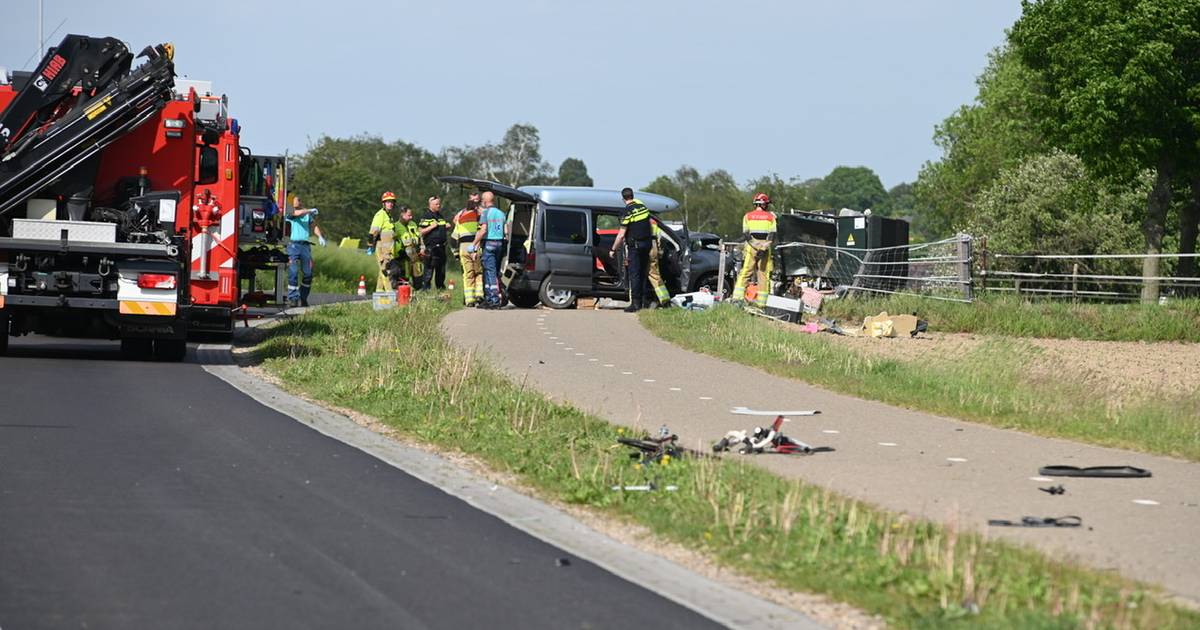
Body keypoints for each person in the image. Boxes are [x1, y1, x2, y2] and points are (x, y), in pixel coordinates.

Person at [609, 188, 653, 312]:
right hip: (647, 244)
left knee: (635, 274)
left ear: (623, 199)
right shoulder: (642, 207)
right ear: (633, 196)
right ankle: (644, 301)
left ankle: (635, 304)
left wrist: (613, 249)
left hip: (636, 247)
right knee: (643, 272)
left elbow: (621, 235)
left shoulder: (627, 212)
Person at [732, 192, 776, 308]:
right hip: (765, 249)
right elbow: (772, 236)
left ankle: (736, 299)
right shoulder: (771, 217)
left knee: (746, 272)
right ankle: (762, 304)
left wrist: (755, 245)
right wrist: (763, 248)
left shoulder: (747, 216)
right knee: (763, 275)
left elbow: (746, 235)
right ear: (763, 204)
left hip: (751, 247)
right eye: (766, 204)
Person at [285, 194, 325, 307]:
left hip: (305, 246)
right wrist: (310, 210)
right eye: (297, 199)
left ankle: (303, 298)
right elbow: (298, 213)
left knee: (308, 273)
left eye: (299, 199)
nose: (299, 201)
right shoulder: (290, 213)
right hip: (293, 245)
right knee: (293, 272)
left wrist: (320, 236)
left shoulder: (307, 215)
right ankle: (293, 298)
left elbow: (314, 226)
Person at [472, 191, 507, 309]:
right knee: (491, 271)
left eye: (482, 200)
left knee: (490, 272)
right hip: (500, 244)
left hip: (489, 243)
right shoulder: (501, 213)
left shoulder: (486, 213)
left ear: (485, 201)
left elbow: (483, 230)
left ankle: (495, 300)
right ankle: (488, 298)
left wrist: (474, 244)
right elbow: (506, 231)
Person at [451, 192, 484, 306]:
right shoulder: (479, 216)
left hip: (463, 248)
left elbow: (453, 238)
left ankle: (469, 300)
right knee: (479, 272)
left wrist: (455, 254)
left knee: (467, 274)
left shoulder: (461, 218)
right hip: (475, 247)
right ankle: (479, 295)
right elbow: (482, 231)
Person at [418, 195, 451, 290]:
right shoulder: (426, 215)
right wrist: (431, 227)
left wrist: (446, 227)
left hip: (441, 248)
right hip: (431, 248)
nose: (439, 205)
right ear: (430, 204)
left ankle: (440, 290)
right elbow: (420, 231)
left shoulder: (440, 216)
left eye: (439, 203)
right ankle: (425, 291)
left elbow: (440, 229)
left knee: (441, 272)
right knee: (428, 272)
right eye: (436, 204)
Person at [369, 191, 398, 292]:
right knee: (386, 271)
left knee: (383, 271)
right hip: (381, 249)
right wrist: (370, 245)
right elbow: (373, 231)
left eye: (392, 202)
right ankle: (390, 294)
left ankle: (379, 292)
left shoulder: (389, 216)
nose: (390, 204)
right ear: (383, 203)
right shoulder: (380, 215)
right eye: (388, 202)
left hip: (388, 250)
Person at [645, 219, 671, 308]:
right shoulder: (654, 222)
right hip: (653, 245)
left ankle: (637, 301)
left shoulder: (636, 218)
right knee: (655, 274)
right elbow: (660, 238)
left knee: (638, 274)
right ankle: (664, 298)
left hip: (644, 246)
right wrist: (659, 252)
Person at [397, 205, 424, 289]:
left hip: (415, 254)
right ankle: (404, 294)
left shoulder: (413, 224)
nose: (411, 217)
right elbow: (406, 243)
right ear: (402, 214)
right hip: (403, 256)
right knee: (405, 276)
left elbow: (419, 237)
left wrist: (422, 248)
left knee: (418, 275)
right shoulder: (397, 226)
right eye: (409, 215)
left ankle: (419, 292)